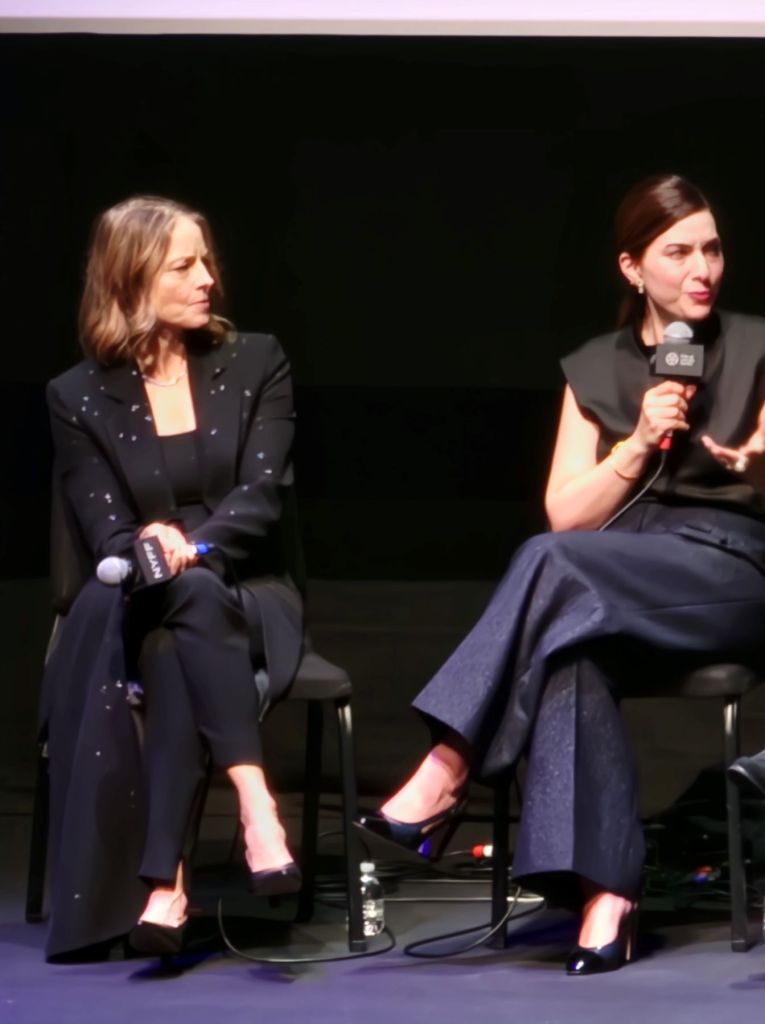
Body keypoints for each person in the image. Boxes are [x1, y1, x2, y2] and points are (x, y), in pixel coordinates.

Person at [359, 174, 765, 974]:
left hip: (729, 568)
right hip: (613, 571)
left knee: (548, 568)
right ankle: (606, 894)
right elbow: (567, 515)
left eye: (711, 249)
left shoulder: (756, 345)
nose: (701, 270)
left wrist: (751, 460)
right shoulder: (592, 369)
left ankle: (446, 768)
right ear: (630, 267)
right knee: (567, 655)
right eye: (677, 251)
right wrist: (636, 444)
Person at [40, 196, 304, 960]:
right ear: (130, 281)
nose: (208, 280)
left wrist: (195, 546)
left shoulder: (258, 360)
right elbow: (105, 530)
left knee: (174, 636)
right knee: (173, 611)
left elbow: (261, 497)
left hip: (251, 591)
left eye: (207, 261)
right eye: (184, 266)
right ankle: (255, 810)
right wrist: (154, 549)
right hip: (137, 593)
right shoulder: (76, 395)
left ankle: (167, 884)